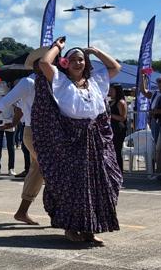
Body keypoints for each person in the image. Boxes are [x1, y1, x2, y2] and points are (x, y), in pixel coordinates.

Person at [30, 38, 122, 246]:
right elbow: (44, 63)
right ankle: (71, 227)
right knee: (73, 185)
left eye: (81, 59)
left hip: (96, 139)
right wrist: (57, 47)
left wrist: (95, 51)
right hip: (70, 139)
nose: (78, 63)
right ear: (65, 63)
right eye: (72, 60)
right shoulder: (61, 82)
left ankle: (91, 229)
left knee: (103, 183)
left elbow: (115, 67)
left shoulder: (96, 81)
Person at [0, 70, 43, 223]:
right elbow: (5, 102)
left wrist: (14, 123)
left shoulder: (53, 80)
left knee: (38, 171)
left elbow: (20, 108)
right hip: (34, 132)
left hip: (45, 132)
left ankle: (22, 212)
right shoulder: (28, 82)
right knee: (52, 170)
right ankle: (63, 213)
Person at [107, 84, 129, 162]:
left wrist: (110, 115)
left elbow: (123, 118)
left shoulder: (121, 102)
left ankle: (119, 168)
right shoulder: (111, 101)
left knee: (117, 151)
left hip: (118, 130)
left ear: (117, 91)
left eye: (112, 90)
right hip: (111, 129)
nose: (110, 92)